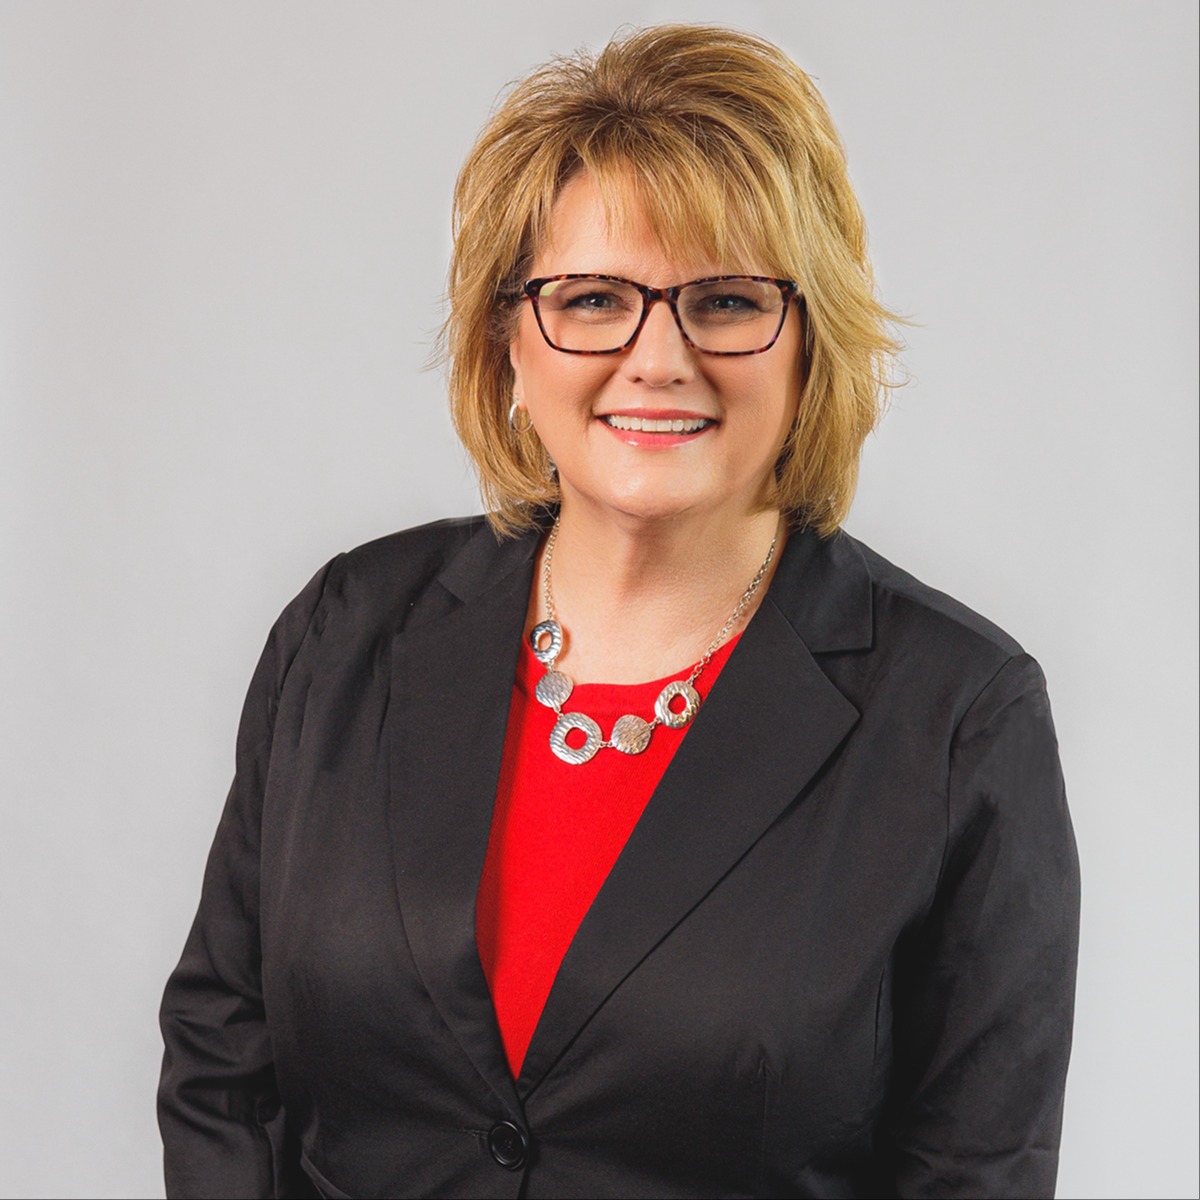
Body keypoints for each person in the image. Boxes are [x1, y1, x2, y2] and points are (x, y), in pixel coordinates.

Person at [158, 24, 1080, 1200]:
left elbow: (976, 1170)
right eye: (592, 299)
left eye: (727, 300)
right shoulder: (348, 630)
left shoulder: (957, 715)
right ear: (508, 338)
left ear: (811, 345)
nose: (659, 357)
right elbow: (223, 1059)